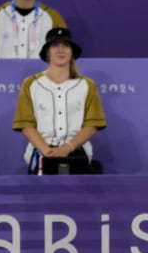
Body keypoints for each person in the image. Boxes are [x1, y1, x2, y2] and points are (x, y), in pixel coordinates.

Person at [13, 28, 106, 173]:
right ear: (47, 52)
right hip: (41, 151)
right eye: (55, 45)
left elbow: (92, 124)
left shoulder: (86, 85)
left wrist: (66, 148)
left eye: (66, 45)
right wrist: (48, 151)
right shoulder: (31, 84)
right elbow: (26, 124)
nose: (61, 49)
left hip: (77, 151)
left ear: (72, 52)